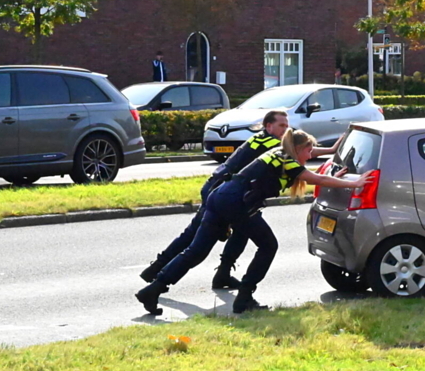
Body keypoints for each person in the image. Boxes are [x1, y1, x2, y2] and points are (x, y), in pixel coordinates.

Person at [135, 130, 369, 315]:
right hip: (237, 203)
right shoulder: (287, 160)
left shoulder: (280, 154)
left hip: (220, 196)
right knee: (268, 245)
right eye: (308, 152)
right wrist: (355, 183)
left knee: (195, 251)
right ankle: (244, 297)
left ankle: (153, 289)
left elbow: (313, 175)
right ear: (299, 149)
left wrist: (335, 173)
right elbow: (316, 177)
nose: (310, 156)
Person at [139, 110, 337, 289]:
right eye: (281, 126)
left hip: (224, 189)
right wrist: (329, 150)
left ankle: (221, 274)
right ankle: (157, 272)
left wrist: (328, 151)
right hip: (223, 191)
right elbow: (297, 150)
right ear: (269, 126)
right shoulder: (272, 143)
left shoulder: (262, 139)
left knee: (240, 232)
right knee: (195, 239)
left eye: (287, 125)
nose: (286, 129)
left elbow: (298, 150)